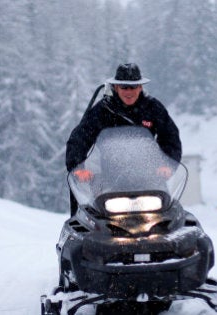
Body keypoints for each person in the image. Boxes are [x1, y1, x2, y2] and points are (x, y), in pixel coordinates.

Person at [65, 63, 182, 216]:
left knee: (171, 218)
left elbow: (170, 137)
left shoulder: (153, 108)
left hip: (149, 180)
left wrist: (167, 164)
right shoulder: (103, 110)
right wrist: (78, 167)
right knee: (91, 220)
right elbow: (79, 138)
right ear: (116, 88)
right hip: (108, 182)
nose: (129, 92)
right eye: (124, 87)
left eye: (133, 87)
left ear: (140, 87)